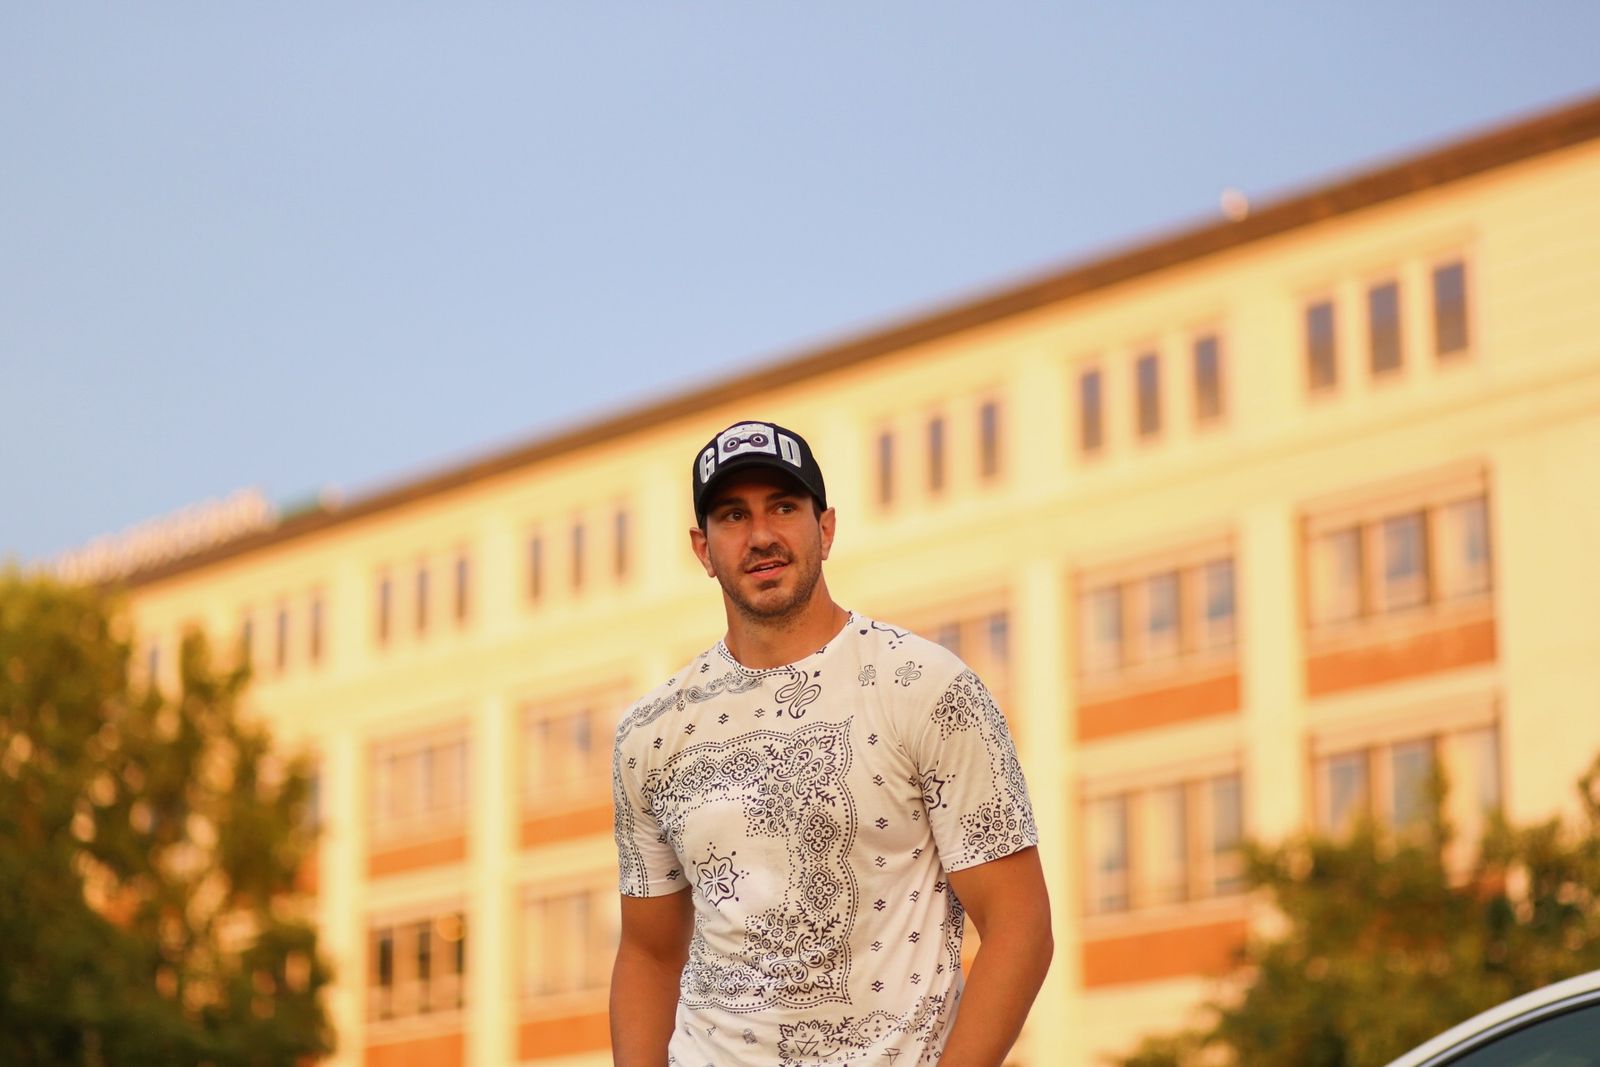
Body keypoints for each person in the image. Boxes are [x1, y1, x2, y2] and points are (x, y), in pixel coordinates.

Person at [610, 419, 1052, 1067]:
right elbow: (649, 952)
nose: (762, 535)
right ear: (703, 549)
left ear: (826, 527)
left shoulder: (924, 686)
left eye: (783, 507)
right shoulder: (650, 732)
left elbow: (1020, 925)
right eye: (734, 515)